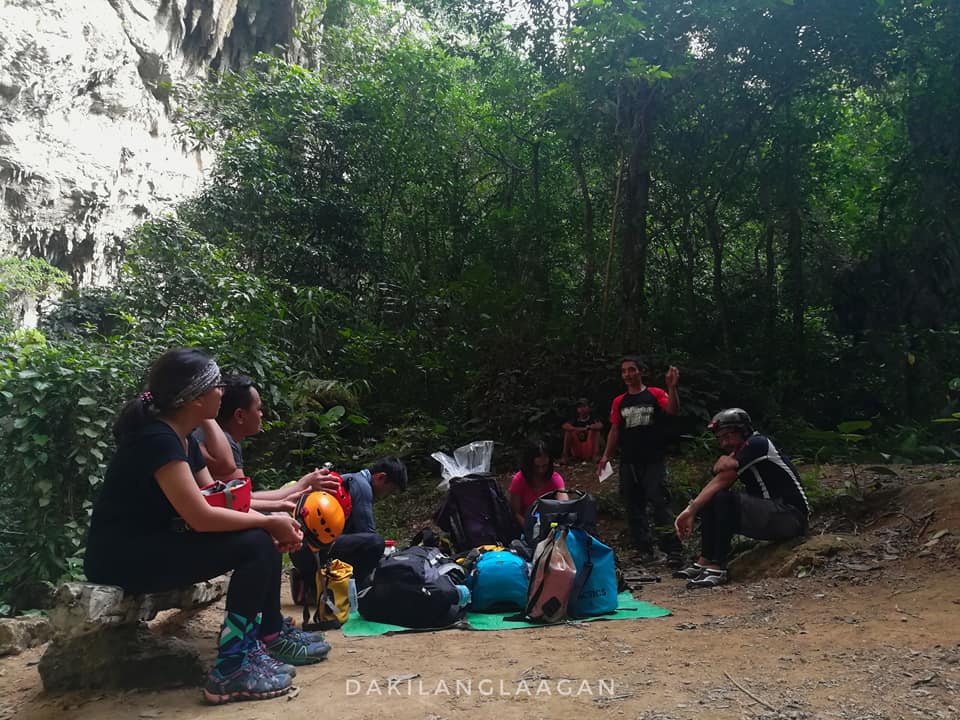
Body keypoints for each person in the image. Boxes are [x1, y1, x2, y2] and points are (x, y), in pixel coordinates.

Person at [84, 349, 329, 706]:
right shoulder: (158, 439)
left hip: (155, 545)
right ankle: (232, 668)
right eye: (216, 385)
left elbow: (220, 500)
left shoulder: (183, 439)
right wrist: (268, 521)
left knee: (261, 537)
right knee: (257, 542)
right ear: (196, 398)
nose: (222, 392)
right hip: (123, 559)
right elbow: (200, 516)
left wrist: (275, 517)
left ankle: (265, 636)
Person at [673, 408, 810, 588]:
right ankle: (705, 561)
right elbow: (719, 481)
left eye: (727, 436)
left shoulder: (758, 443)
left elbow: (722, 477)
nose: (724, 443)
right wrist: (692, 508)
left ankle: (718, 566)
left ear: (742, 431)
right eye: (720, 439)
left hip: (791, 516)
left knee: (723, 499)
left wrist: (691, 509)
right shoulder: (741, 452)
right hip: (771, 513)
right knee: (712, 498)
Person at [194, 374, 335, 513]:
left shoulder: (213, 435)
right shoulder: (223, 442)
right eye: (258, 409)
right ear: (240, 415)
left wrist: (301, 487)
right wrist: (302, 485)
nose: (261, 414)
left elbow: (244, 498)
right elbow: (243, 502)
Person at [597, 355, 682, 565]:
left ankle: (673, 550)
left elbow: (672, 410)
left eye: (631, 369)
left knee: (659, 501)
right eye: (624, 371)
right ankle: (644, 549)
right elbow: (615, 430)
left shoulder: (655, 394)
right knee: (633, 505)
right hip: (628, 461)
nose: (627, 374)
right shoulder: (619, 401)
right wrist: (606, 455)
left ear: (640, 372)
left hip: (653, 459)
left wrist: (672, 387)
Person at [291, 457, 408, 590]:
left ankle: (309, 582)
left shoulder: (351, 480)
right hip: (312, 548)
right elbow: (368, 534)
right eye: (390, 491)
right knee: (375, 543)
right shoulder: (362, 487)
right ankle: (356, 591)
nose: (386, 496)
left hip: (301, 548)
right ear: (381, 477)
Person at [509, 441, 567, 529]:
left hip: (550, 526)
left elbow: (564, 505)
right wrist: (529, 529)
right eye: (537, 467)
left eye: (545, 466)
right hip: (525, 526)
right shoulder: (519, 480)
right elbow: (515, 513)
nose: (541, 470)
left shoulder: (555, 479)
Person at [560, 398, 603, 464]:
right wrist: (577, 429)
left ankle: (595, 455)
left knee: (596, 431)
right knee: (568, 432)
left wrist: (590, 427)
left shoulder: (593, 417)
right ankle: (565, 456)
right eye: (580, 407)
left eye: (584, 406)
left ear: (589, 408)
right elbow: (565, 426)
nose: (582, 409)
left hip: (589, 448)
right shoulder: (574, 418)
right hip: (577, 448)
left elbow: (600, 425)